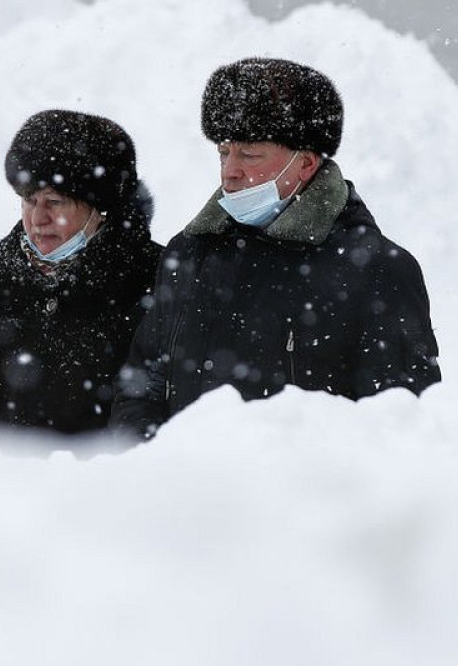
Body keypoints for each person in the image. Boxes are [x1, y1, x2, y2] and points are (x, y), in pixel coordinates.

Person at [112, 57, 440, 439]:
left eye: (249, 154)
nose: (229, 170)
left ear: (305, 163)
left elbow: (401, 427)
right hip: (184, 493)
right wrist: (151, 463)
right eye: (224, 152)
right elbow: (142, 387)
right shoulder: (188, 254)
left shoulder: (376, 270)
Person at [0, 109, 163, 448]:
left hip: (104, 493)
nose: (38, 218)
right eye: (29, 200)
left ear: (100, 208)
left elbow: (169, 419)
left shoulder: (153, 277)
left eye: (55, 202)